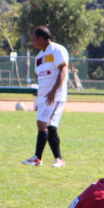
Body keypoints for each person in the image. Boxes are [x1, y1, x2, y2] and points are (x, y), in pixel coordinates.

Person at [22, 26, 69, 169]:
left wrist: (54, 91)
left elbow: (63, 71)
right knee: (46, 125)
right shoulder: (38, 57)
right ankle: (46, 158)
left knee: (46, 124)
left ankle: (49, 159)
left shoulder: (57, 50)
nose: (32, 40)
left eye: (34, 37)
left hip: (55, 95)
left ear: (41, 38)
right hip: (44, 97)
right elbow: (40, 77)